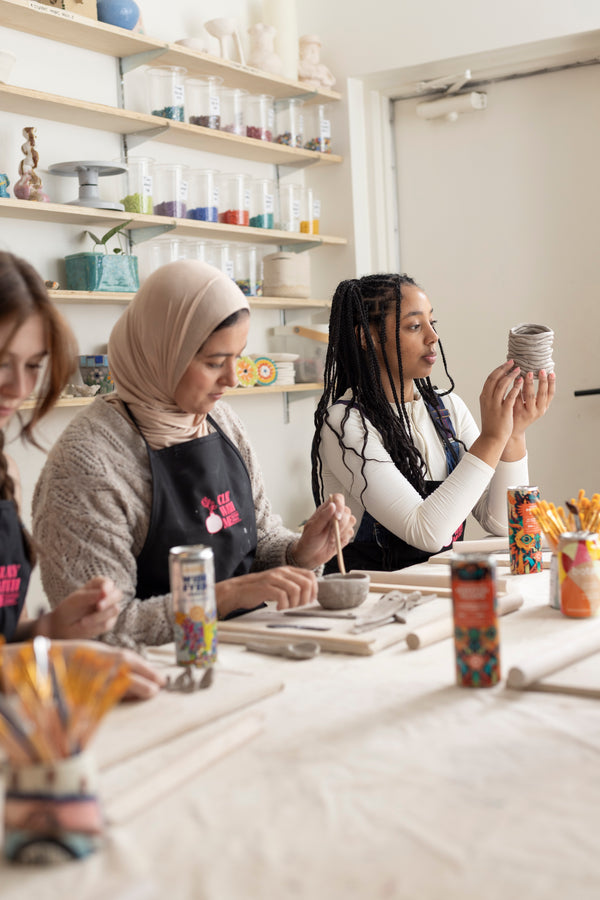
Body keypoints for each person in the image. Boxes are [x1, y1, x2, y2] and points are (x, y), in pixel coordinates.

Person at [33, 260, 355, 648]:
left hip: (247, 651)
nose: (232, 379)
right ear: (161, 352)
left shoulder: (221, 420)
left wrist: (299, 551)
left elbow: (258, 540)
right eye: (215, 362)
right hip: (151, 681)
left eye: (238, 357)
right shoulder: (87, 463)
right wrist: (225, 597)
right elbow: (100, 629)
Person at [311, 273, 555, 572]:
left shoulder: (447, 407)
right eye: (415, 326)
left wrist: (513, 434)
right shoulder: (345, 424)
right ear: (367, 337)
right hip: (370, 602)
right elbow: (426, 533)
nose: (433, 337)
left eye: (432, 323)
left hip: (435, 593)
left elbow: (502, 523)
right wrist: (492, 439)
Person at [0, 250, 163, 698]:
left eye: (33, 365)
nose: (18, 388)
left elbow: (6, 641)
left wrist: (54, 627)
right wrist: (59, 664)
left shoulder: (5, 476)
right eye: (1, 361)